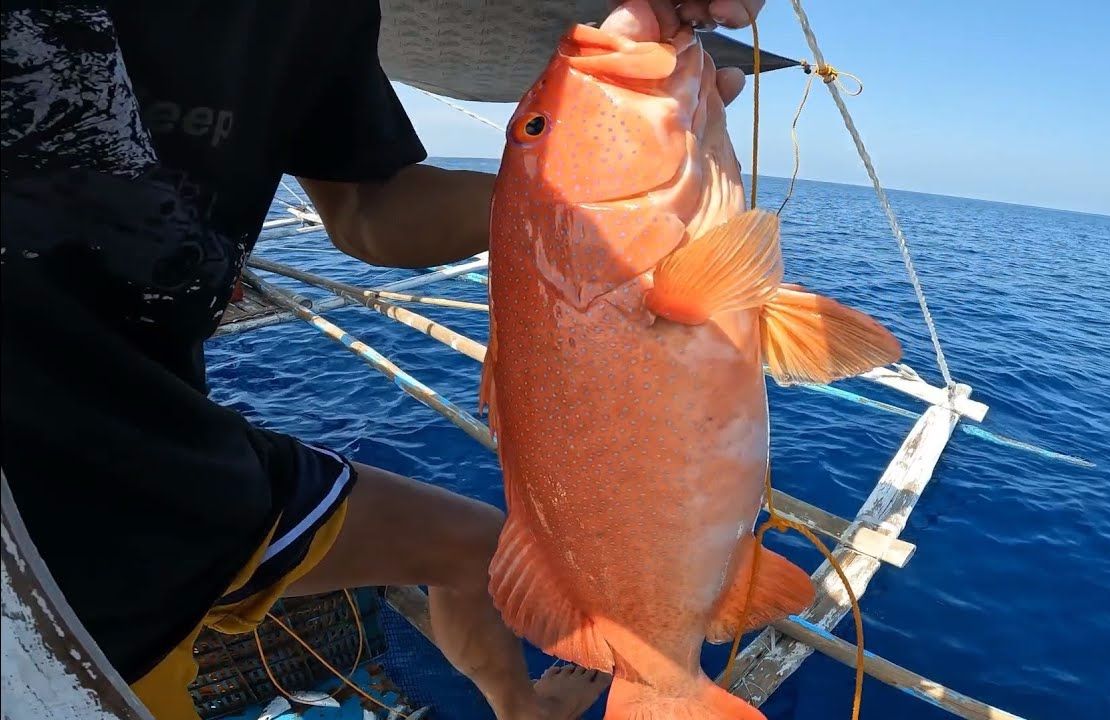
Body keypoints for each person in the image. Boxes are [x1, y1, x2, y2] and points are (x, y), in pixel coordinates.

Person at [0, 1, 764, 718]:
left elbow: (370, 210)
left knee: (478, 550)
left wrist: (570, 192)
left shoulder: (319, 12)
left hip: (174, 456)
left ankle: (521, 713)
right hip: (49, 542)